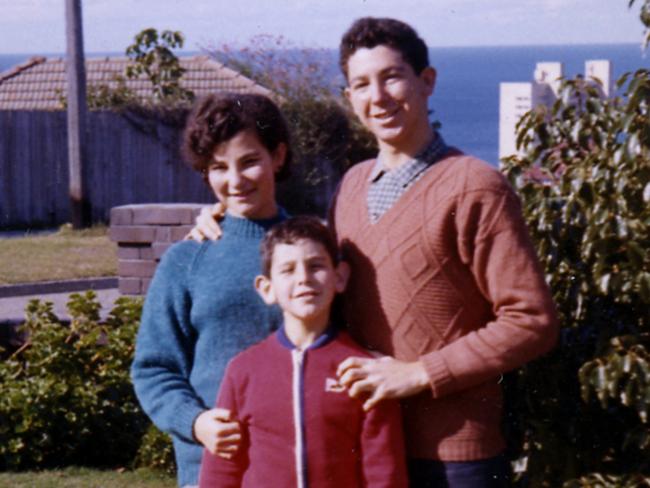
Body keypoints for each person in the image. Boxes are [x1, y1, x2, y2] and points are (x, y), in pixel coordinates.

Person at [191, 17, 558, 487]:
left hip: (449, 455)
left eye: (391, 77)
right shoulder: (352, 185)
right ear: (350, 99)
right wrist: (226, 212)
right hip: (357, 452)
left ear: (426, 82)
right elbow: (308, 267)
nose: (378, 96)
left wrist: (421, 373)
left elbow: (531, 320)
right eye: (361, 84)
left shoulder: (475, 186)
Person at [131, 92, 292, 487]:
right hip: (214, 470)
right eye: (219, 167)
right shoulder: (186, 260)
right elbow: (154, 368)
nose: (235, 181)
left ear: (279, 156)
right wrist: (196, 421)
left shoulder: (312, 250)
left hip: (300, 464)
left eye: (250, 161)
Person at [198, 216, 408, 488]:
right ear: (267, 288)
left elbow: (384, 471)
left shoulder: (365, 371)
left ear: (340, 276)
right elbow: (222, 467)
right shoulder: (243, 370)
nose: (304, 279)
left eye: (316, 266)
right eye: (287, 270)